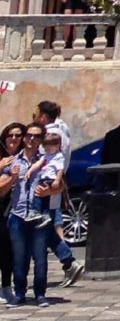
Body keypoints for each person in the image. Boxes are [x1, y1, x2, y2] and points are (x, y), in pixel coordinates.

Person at [5, 124, 59, 306]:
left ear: (41, 140)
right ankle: (19, 293)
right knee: (19, 257)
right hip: (18, 214)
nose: (31, 139)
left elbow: (61, 185)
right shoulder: (14, 161)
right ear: (24, 138)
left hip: (39, 216)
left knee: (40, 258)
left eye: (36, 137)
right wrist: (11, 179)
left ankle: (40, 294)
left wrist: (49, 191)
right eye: (29, 135)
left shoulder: (47, 160)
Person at [29, 106, 78, 288]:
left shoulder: (50, 135)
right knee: (46, 227)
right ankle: (68, 262)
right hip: (51, 188)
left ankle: (68, 261)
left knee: (42, 227)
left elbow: (46, 162)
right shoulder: (62, 131)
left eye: (36, 114)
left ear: (43, 116)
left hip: (45, 188)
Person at [0, 124, 22, 304]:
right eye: (10, 135)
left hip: (19, 209)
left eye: (17, 135)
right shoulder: (2, 158)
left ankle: (8, 287)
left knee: (13, 251)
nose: (13, 138)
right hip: (2, 208)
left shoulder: (25, 157)